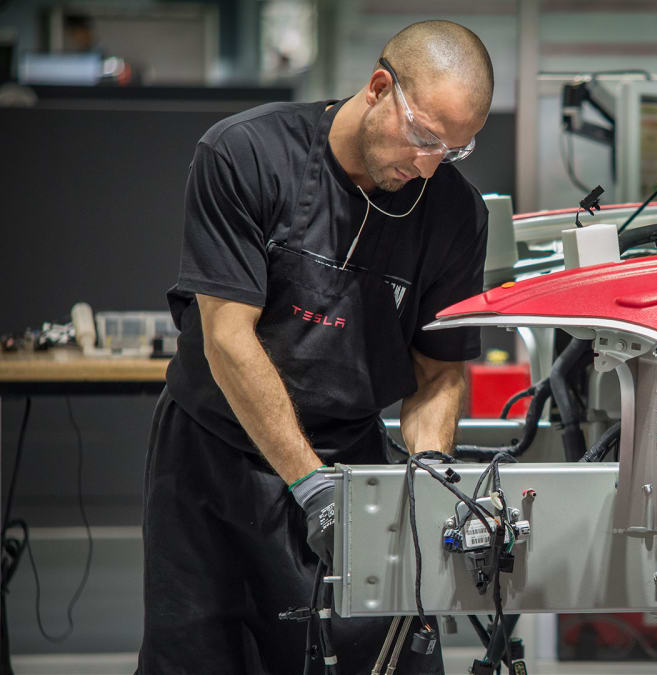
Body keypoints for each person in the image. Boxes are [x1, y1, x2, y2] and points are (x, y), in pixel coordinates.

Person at [138, 20, 493, 674]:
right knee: (200, 657)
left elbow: (438, 369)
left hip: (350, 455)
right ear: (379, 88)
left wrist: (433, 470)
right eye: (421, 137)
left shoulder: (454, 213)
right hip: (212, 461)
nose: (427, 166)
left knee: (384, 656)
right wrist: (311, 486)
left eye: (453, 150)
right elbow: (226, 339)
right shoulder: (245, 154)